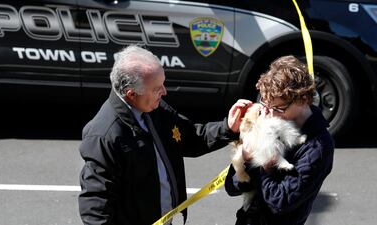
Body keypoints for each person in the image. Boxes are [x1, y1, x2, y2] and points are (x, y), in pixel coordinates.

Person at [78, 45, 250, 225]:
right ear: (131, 94)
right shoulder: (104, 136)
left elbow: (192, 137)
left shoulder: (154, 108)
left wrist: (228, 128)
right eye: (157, 88)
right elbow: (96, 208)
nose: (164, 92)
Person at [225, 55, 334, 225]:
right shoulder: (266, 117)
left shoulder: (318, 147)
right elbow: (231, 188)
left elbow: (280, 202)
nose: (267, 114)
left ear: (302, 99)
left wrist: (264, 166)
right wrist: (245, 160)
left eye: (276, 108)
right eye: (264, 104)